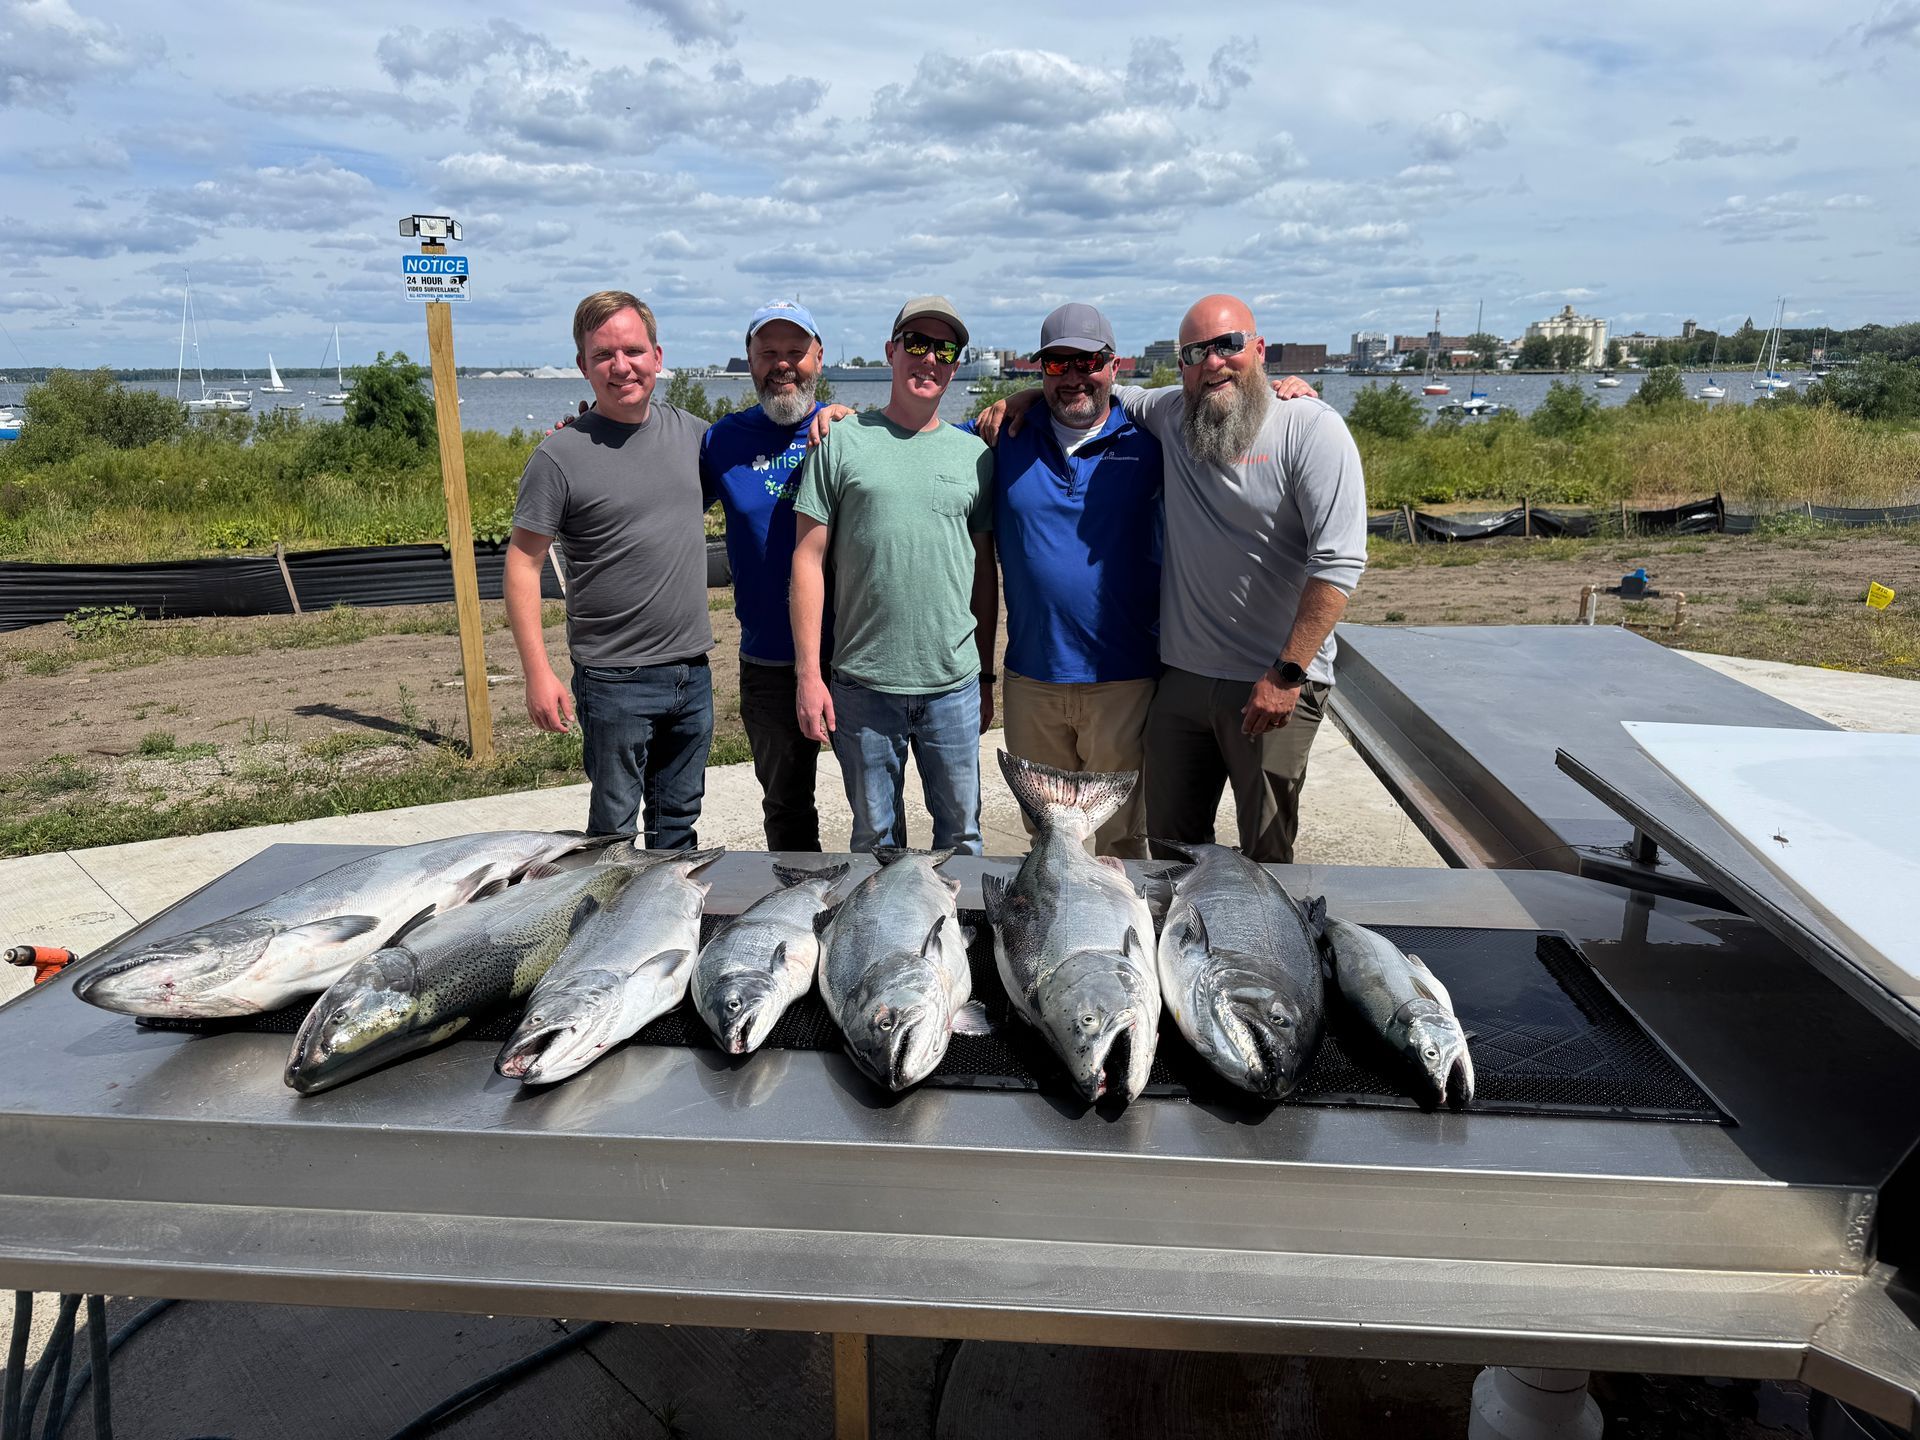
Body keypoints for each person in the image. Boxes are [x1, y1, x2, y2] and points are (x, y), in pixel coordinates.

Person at [984, 295, 1365, 862]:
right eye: (1196, 352)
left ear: (1258, 350)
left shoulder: (1310, 428)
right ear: (1181, 365)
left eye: (1229, 345)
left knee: (1265, 850)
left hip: (1273, 675)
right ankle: (1179, 945)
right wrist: (1024, 394)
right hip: (1182, 679)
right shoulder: (1170, 414)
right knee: (1169, 846)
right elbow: (1094, 394)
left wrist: (1288, 673)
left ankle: (1264, 949)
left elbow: (1338, 564)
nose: (1213, 362)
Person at [503, 290, 714, 846]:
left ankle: (665, 929)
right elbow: (522, 564)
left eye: (633, 351)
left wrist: (831, 417)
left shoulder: (695, 437)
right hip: (613, 679)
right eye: (603, 355)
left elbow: (772, 443)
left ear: (658, 356)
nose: (621, 367)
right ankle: (602, 929)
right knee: (611, 836)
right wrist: (537, 672)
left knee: (678, 827)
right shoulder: (559, 456)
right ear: (583, 366)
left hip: (692, 672)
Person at [790, 296, 996, 854]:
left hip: (952, 686)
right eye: (917, 343)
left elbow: (982, 575)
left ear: (956, 365)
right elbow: (807, 561)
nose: (930, 359)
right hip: (863, 686)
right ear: (892, 351)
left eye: (945, 349)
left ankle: (964, 942)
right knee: (874, 842)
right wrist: (810, 675)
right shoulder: (840, 441)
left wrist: (986, 678)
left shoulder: (975, 455)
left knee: (963, 839)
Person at [979, 302, 1164, 858]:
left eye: (1088, 362)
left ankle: (1119, 945)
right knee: (1048, 841)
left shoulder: (1152, 442)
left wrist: (1287, 397)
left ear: (1114, 365)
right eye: (1058, 365)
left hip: (1124, 680)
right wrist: (846, 419)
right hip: (1032, 679)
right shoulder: (1005, 434)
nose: (1075, 377)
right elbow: (920, 436)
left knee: (1120, 840)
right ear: (1040, 371)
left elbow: (1226, 414)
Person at [700, 300, 840, 852]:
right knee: (785, 809)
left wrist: (1016, 401)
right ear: (750, 361)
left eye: (795, 353)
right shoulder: (722, 442)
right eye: (769, 353)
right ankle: (797, 915)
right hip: (768, 661)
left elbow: (934, 435)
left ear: (819, 358)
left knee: (876, 806)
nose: (783, 365)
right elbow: (654, 481)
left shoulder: (850, 430)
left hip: (852, 656)